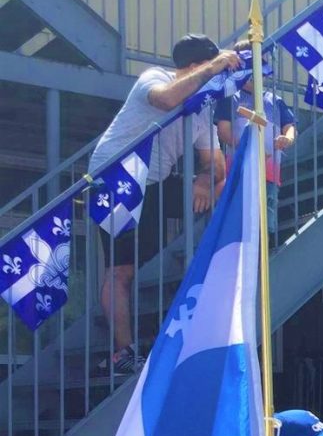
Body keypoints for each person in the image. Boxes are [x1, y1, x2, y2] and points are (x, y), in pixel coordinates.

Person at [89, 34, 236, 375]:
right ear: (194, 67)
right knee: (121, 269)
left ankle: (199, 264)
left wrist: (203, 179)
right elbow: (168, 100)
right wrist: (215, 65)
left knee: (224, 184)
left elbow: (216, 163)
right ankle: (122, 352)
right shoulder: (155, 78)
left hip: (154, 182)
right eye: (209, 70)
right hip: (116, 177)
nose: (215, 78)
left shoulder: (201, 106)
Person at [216, 41, 296, 235]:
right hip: (239, 171)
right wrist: (247, 147)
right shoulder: (230, 97)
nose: (254, 73)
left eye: (259, 66)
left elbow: (290, 127)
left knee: (265, 223)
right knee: (239, 219)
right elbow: (223, 131)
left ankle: (263, 259)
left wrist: (287, 139)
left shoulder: (274, 100)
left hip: (269, 175)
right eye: (249, 67)